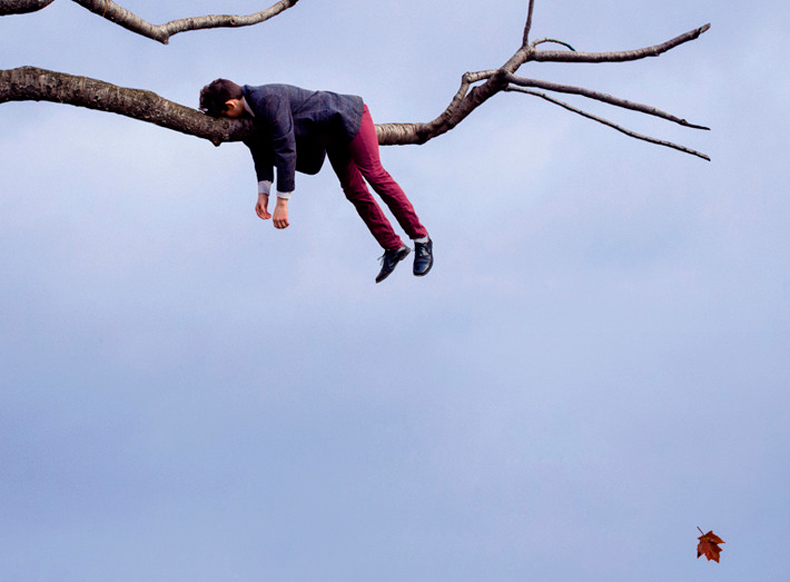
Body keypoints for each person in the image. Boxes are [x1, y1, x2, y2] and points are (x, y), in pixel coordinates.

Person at [199, 79, 433, 283]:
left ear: (229, 105)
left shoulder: (266, 100)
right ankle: (393, 246)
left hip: (349, 118)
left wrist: (282, 202)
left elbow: (286, 149)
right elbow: (260, 149)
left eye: (224, 115)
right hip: (329, 137)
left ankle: (421, 239)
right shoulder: (250, 114)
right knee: (353, 190)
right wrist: (263, 192)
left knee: (375, 175)